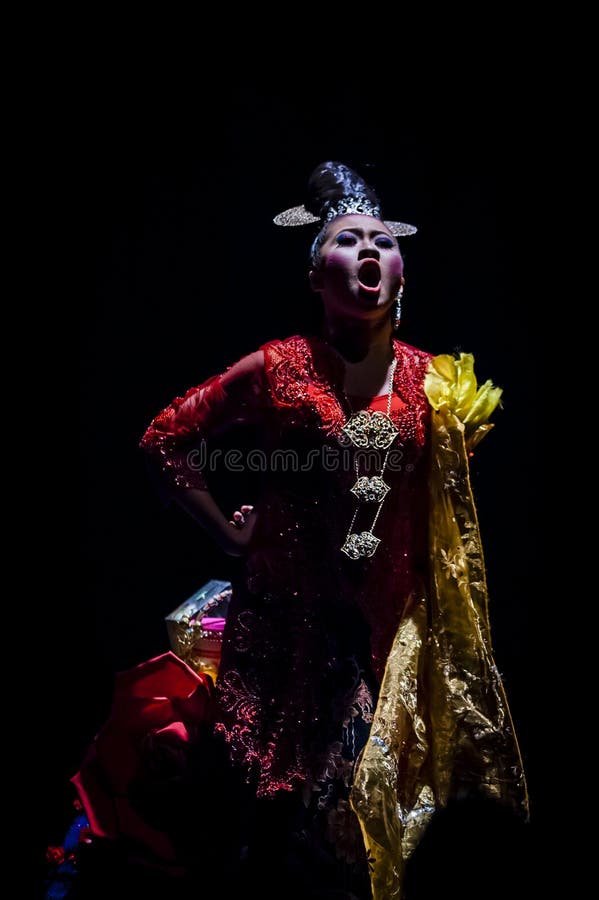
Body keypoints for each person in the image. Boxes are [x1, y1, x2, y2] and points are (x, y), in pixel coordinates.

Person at [135, 161, 528, 899]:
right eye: (349, 240)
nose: (369, 251)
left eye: (382, 240)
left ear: (401, 269)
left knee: (366, 844)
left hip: (383, 651)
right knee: (269, 845)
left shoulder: (435, 381)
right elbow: (165, 438)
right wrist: (226, 534)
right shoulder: (279, 367)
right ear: (318, 274)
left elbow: (445, 526)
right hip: (280, 647)